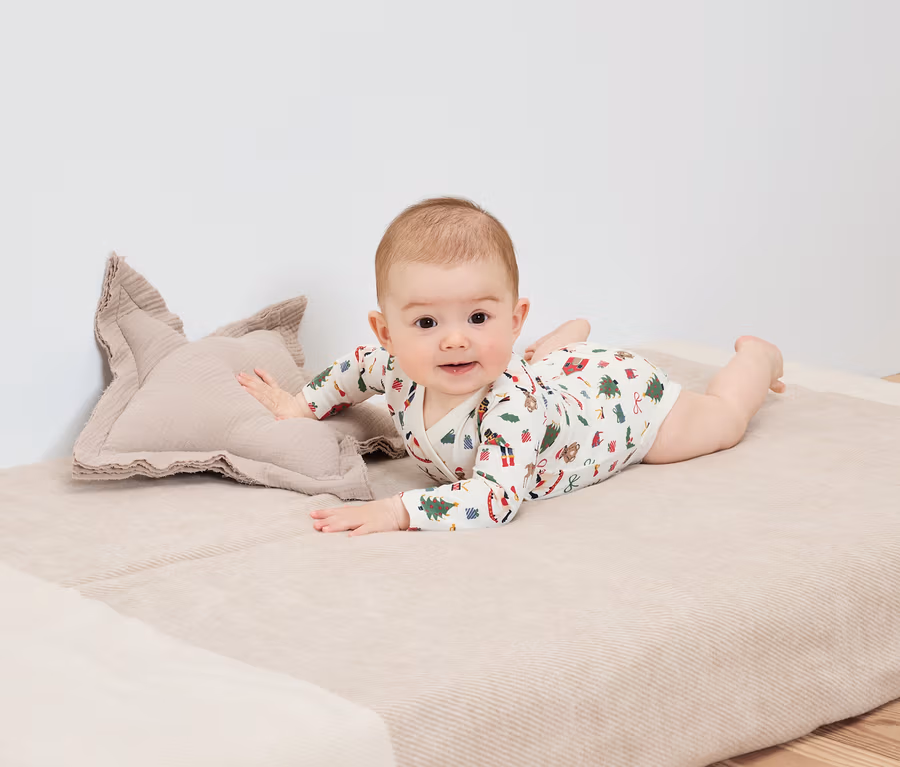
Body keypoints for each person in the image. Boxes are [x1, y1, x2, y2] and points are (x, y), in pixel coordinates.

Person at [238, 197, 785, 536]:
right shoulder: (392, 367)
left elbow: (495, 499)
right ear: (386, 333)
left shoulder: (510, 409)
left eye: (479, 317)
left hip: (620, 406)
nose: (455, 340)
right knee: (535, 367)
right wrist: (300, 406)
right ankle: (564, 344)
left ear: (515, 318)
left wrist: (397, 512)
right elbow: (351, 372)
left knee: (720, 423)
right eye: (426, 322)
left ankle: (757, 359)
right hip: (555, 375)